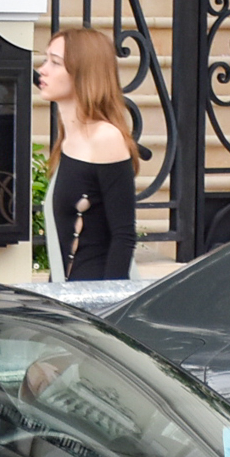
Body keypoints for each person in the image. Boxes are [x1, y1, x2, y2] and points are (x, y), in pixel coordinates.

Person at [35, 28, 139, 281]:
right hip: (66, 291)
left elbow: (123, 236)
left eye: (55, 63)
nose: (42, 70)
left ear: (84, 74)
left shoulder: (105, 138)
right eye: (46, 59)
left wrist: (106, 302)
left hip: (94, 294)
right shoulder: (70, 137)